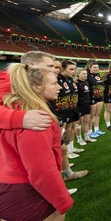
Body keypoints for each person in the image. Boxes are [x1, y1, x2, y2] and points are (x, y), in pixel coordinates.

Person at [0, 64, 73, 220]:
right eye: (54, 83)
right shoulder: (36, 121)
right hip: (27, 192)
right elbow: (42, 172)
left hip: (12, 187)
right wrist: (63, 200)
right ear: (36, 87)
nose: (59, 87)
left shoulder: (14, 109)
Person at [0, 51, 55, 132]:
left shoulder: (28, 82)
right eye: (50, 66)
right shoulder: (9, 83)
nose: (54, 70)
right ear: (31, 65)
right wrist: (19, 118)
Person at [87, 62, 106, 137]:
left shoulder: (98, 75)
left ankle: (96, 129)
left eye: (97, 67)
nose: (96, 69)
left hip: (100, 97)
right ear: (90, 68)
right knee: (91, 116)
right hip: (92, 98)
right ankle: (89, 131)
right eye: (94, 67)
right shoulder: (88, 76)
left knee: (97, 114)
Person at [76, 68, 92, 145]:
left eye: (86, 73)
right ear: (78, 74)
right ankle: (79, 139)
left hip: (87, 104)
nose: (85, 75)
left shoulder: (86, 82)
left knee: (86, 122)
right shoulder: (76, 83)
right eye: (83, 74)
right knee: (78, 123)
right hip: (80, 106)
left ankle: (86, 137)